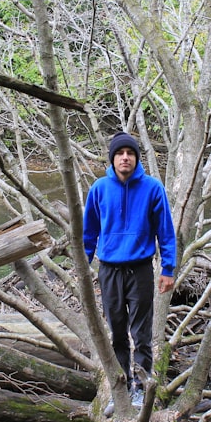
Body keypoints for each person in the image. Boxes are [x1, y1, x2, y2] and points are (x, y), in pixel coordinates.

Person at [82, 131, 177, 407]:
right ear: (112, 159)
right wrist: (83, 267)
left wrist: (168, 269)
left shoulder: (152, 188)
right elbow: (88, 233)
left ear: (137, 158)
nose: (125, 158)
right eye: (120, 153)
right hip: (109, 270)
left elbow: (166, 233)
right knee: (118, 332)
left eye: (131, 153)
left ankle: (143, 385)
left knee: (142, 332)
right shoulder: (99, 189)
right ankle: (121, 388)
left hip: (141, 270)